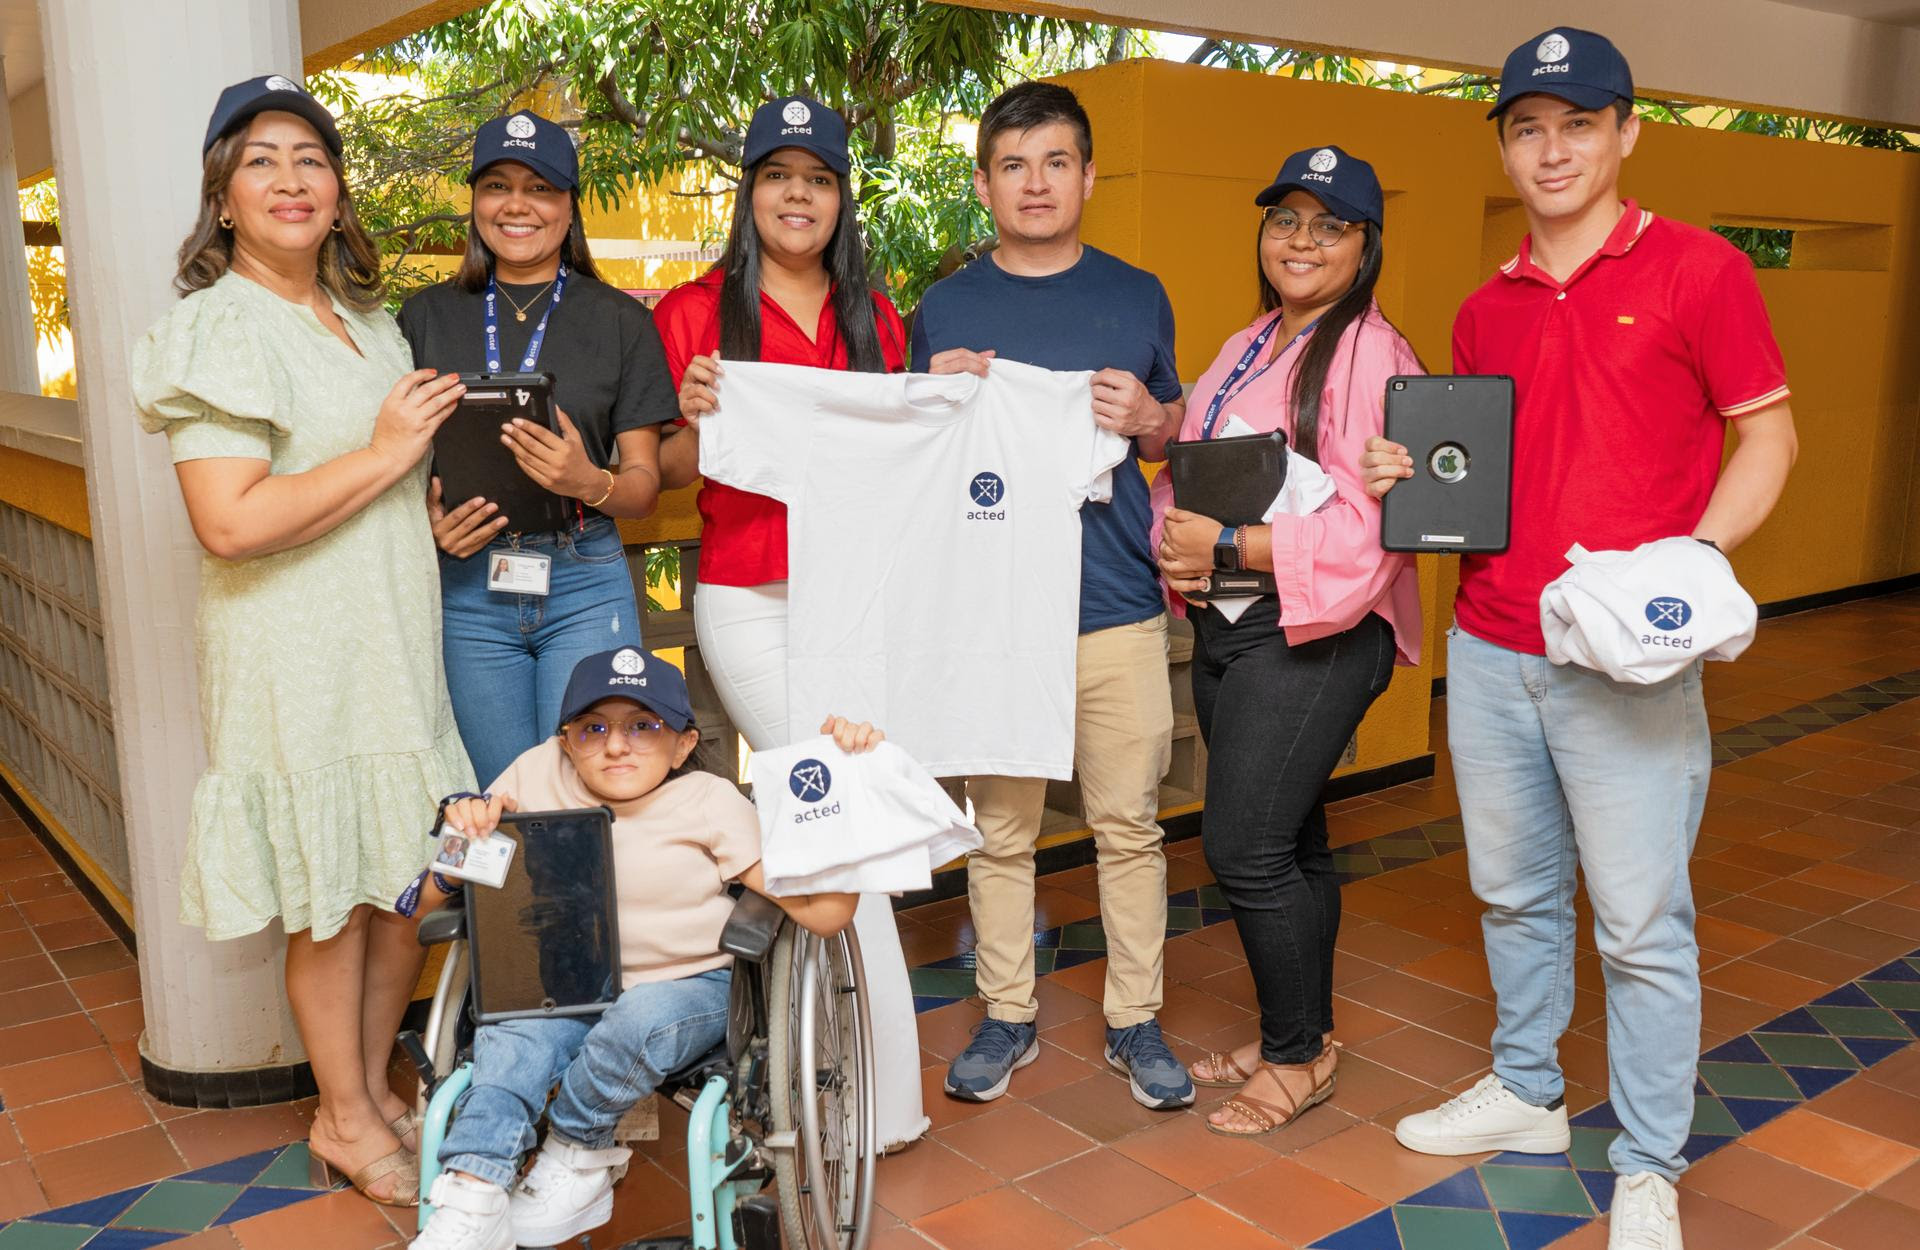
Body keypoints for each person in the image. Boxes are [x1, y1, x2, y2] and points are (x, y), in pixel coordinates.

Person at [1362, 29, 1795, 1250]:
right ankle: (1530, 1090)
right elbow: (1477, 479)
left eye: (1576, 124)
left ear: (1626, 132)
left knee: (1641, 920)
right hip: (1495, 645)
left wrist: (1695, 560)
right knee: (1511, 890)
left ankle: (1651, 1159)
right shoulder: (1481, 307)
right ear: (1505, 143)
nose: (1551, 149)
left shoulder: (1701, 272)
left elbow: (1769, 436)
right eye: (1527, 127)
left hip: (1628, 658)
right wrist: (1410, 473)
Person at [131, 75, 475, 1206]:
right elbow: (228, 522)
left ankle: (368, 1091)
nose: (290, 179)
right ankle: (342, 1113)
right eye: (262, 159)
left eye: (311, 159)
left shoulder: (369, 326)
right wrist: (385, 456)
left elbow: (373, 480)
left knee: (399, 888)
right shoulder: (215, 326)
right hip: (293, 658)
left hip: (393, 643)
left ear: (338, 193)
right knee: (332, 894)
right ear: (223, 196)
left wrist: (423, 505)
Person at [913, 81, 1194, 1109]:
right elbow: (916, 467)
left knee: (1130, 825)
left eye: (1057, 161)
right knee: (1000, 833)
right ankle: (1008, 1012)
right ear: (986, 182)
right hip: (992, 618)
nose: (1037, 183)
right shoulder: (944, 307)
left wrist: (1151, 414)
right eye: (1015, 165)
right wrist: (936, 402)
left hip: (1115, 601)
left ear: (1085, 175)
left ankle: (1135, 1017)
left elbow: (1172, 431)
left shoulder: (1137, 293)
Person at [654, 95, 928, 1148]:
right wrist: (692, 409)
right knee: (833, 814)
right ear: (751, 191)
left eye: (819, 178)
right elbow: (673, 472)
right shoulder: (690, 313)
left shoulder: (880, 321)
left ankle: (855, 1090)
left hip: (856, 597)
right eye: (779, 175)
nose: (798, 195)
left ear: (841, 198)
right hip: (745, 592)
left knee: (838, 824)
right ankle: (844, 1090)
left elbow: (904, 466)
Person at [408, 648, 869, 1250]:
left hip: (688, 986)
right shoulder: (535, 774)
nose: (616, 745)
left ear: (681, 744)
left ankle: (576, 1152)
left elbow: (826, 914)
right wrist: (462, 841)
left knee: (639, 1018)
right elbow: (421, 902)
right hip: (566, 984)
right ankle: (474, 1195)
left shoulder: (707, 799)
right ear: (567, 740)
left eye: (642, 726)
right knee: (512, 1036)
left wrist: (851, 785)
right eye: (593, 728)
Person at [1150, 147, 1422, 1136]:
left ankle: (1298, 1058)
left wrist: (1231, 542)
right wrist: (1179, 551)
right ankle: (1295, 1034)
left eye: (1329, 224)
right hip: (1232, 618)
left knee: (1245, 843)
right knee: (1295, 839)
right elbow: (1186, 474)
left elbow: (1379, 527)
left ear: (1366, 245)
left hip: (1316, 631)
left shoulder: (1376, 357)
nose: (1301, 241)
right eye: (1286, 220)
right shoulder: (1246, 343)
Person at [399, 109, 679, 787]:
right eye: (497, 185)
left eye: (541, 187)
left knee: (593, 789)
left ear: (569, 205)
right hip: (468, 586)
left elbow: (643, 486)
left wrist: (589, 479)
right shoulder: (422, 318)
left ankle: (588, 901)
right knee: (498, 794)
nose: (517, 205)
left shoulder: (621, 321)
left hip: (584, 578)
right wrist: (427, 529)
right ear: (475, 202)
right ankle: (511, 902)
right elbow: (390, 465)